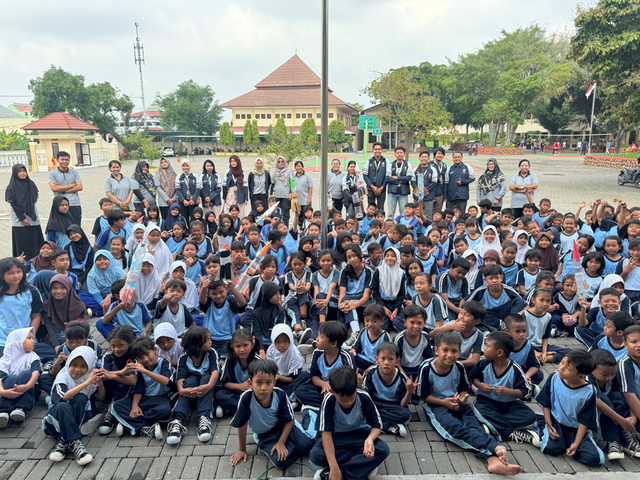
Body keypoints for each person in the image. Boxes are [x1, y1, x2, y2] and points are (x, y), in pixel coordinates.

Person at [418, 331, 522, 474]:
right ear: (436, 350)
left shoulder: (459, 367)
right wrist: (444, 403)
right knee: (454, 428)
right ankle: (493, 448)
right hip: (436, 404)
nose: (450, 355)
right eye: (445, 350)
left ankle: (492, 460)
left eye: (454, 351)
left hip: (458, 403)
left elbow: (463, 389)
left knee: (475, 425)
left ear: (460, 352)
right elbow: (424, 396)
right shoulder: (427, 368)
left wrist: (462, 398)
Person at [229, 359, 315, 469]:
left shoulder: (280, 395)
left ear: (274, 382)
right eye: (258, 383)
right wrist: (242, 449)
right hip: (264, 434)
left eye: (268, 383)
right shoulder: (246, 398)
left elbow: (289, 420)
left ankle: (308, 413)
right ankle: (293, 446)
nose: (264, 388)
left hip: (283, 425)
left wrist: (281, 442)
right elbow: (241, 423)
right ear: (250, 383)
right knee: (281, 461)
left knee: (308, 446)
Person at [309, 366, 390, 480]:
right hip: (337, 438)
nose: (347, 402)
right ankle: (360, 464)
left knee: (383, 449)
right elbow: (326, 434)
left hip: (360, 435)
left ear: (356, 389)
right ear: (332, 391)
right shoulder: (328, 401)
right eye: (342, 399)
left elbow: (377, 426)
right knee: (315, 455)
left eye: (351, 398)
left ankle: (337, 473)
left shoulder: (363, 397)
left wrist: (370, 439)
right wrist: (333, 465)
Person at [469, 331, 539, 445]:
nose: (484, 348)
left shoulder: (515, 369)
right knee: (479, 408)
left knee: (530, 417)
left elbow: (526, 391)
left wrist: (508, 392)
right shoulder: (484, 364)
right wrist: (481, 385)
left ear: (500, 352)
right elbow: (473, 378)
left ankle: (493, 426)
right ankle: (512, 433)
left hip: (510, 404)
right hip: (487, 401)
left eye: (487, 346)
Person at [537, 351, 604, 466]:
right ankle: (541, 428)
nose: (561, 368)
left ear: (582, 376)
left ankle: (575, 443)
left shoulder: (589, 391)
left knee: (594, 459)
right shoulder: (554, 377)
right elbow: (546, 403)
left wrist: (577, 443)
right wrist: (549, 425)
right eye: (562, 362)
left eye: (568, 368)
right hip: (556, 423)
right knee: (550, 448)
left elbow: (585, 420)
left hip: (576, 429)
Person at [44, 346, 104, 466]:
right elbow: (65, 397)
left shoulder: (89, 376)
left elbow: (101, 398)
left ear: (90, 366)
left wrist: (101, 385)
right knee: (63, 406)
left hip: (74, 419)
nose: (77, 369)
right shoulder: (63, 376)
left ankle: (64, 441)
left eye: (83, 366)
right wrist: (87, 383)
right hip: (54, 423)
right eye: (74, 365)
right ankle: (75, 442)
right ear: (68, 363)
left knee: (82, 398)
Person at [111, 337, 172, 440]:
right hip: (143, 399)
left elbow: (166, 381)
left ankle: (130, 424)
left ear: (155, 350)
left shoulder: (164, 363)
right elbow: (139, 389)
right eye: (140, 358)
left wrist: (145, 371)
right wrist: (134, 406)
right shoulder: (139, 368)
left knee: (166, 411)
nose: (145, 359)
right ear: (136, 359)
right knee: (115, 406)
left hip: (160, 398)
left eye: (147, 354)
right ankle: (148, 425)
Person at [166, 326, 219, 445]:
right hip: (191, 392)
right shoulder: (183, 359)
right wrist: (181, 391)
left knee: (206, 377)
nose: (211, 342)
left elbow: (215, 372)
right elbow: (180, 379)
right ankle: (178, 420)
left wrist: (208, 386)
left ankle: (203, 418)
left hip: (207, 390)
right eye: (207, 340)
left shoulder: (211, 353)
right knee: (189, 381)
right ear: (197, 345)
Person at [294, 321, 354, 408]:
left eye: (321, 337)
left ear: (333, 343)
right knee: (300, 391)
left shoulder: (346, 357)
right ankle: (329, 404)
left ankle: (330, 403)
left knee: (347, 395)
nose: (317, 339)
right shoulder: (317, 353)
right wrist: (323, 384)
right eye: (318, 336)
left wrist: (332, 389)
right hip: (322, 387)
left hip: (339, 389)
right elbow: (314, 376)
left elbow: (349, 382)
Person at [362, 341, 414, 436]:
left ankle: (376, 419)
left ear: (397, 362)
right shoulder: (371, 373)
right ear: (376, 359)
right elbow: (367, 397)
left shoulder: (401, 377)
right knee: (362, 409)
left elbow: (403, 404)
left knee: (406, 415)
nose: (386, 363)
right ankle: (389, 426)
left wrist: (409, 391)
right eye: (383, 359)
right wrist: (360, 386)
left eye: (391, 359)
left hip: (393, 404)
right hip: (376, 402)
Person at [0, 328, 41, 428]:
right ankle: (4, 411)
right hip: (10, 391)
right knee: (10, 378)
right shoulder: (5, 359)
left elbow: (36, 373)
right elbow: (0, 379)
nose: (33, 341)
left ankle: (22, 409)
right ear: (17, 342)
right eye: (29, 338)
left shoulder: (32, 356)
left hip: (28, 389)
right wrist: (3, 392)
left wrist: (27, 386)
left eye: (33, 338)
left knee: (25, 374)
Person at [6, 164, 45, 260]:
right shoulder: (12, 187)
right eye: (20, 171)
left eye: (24, 171)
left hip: (33, 218)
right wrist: (22, 218)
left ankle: (38, 264)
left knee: (36, 244)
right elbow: (13, 204)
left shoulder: (31, 184)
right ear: (15, 173)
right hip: (19, 221)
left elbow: (35, 199)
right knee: (23, 245)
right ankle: (23, 266)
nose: (23, 173)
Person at [48, 151, 83, 224]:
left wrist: (62, 190)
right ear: (57, 160)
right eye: (62, 159)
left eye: (67, 160)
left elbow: (80, 187)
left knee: (76, 227)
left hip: (74, 204)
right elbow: (54, 188)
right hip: (60, 205)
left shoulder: (74, 172)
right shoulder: (52, 173)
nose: (65, 161)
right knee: (62, 227)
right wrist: (72, 185)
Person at [387, 146, 414, 219]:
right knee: (390, 213)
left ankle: (402, 228)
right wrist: (400, 180)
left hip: (403, 192)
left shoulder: (408, 165)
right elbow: (387, 178)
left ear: (404, 154)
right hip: (392, 191)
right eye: (398, 153)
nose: (399, 154)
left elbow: (408, 177)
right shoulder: (390, 165)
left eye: (401, 153)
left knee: (404, 213)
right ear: (395, 154)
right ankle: (390, 228)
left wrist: (397, 177)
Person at [363, 142, 391, 210]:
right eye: (375, 149)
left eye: (379, 149)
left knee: (380, 209)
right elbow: (365, 175)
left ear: (381, 150)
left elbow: (388, 176)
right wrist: (372, 186)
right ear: (373, 151)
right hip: (370, 189)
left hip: (382, 190)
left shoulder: (386, 161)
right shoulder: (369, 161)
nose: (377, 151)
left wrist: (382, 187)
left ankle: (380, 221)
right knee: (371, 209)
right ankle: (371, 221)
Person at [175, 159, 201, 225]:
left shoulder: (195, 176)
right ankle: (185, 231)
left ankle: (193, 231)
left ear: (190, 166)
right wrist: (183, 200)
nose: (185, 167)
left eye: (187, 165)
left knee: (194, 217)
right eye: (183, 166)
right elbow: (177, 189)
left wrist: (193, 199)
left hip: (193, 202)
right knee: (184, 218)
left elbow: (198, 188)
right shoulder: (179, 177)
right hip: (183, 202)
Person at [271, 156, 294, 228]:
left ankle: (285, 228)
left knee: (285, 214)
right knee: (277, 213)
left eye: (282, 161)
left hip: (286, 196)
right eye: (279, 162)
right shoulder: (275, 172)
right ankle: (277, 228)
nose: (280, 163)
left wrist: (291, 193)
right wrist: (271, 195)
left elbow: (292, 184)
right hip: (277, 196)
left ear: (285, 162)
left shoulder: (289, 172)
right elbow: (272, 184)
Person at [430, 147, 448, 215]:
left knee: (437, 213)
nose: (440, 155)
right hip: (431, 193)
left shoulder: (444, 165)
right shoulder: (429, 164)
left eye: (442, 153)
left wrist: (445, 195)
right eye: (438, 153)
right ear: (434, 154)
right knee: (429, 212)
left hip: (440, 194)